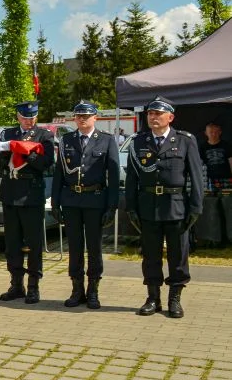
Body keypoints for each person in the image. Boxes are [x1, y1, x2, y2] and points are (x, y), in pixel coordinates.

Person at [125, 96, 204, 318]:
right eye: (150, 113)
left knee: (178, 255)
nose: (153, 117)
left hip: (176, 206)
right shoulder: (139, 142)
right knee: (150, 255)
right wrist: (131, 207)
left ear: (170, 117)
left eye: (158, 114)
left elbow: (196, 176)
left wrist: (196, 207)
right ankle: (153, 298)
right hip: (148, 207)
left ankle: (175, 300)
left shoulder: (185, 140)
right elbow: (132, 178)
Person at [51, 102, 120, 309]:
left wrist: (112, 206)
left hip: (95, 199)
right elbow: (59, 174)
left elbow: (114, 176)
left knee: (94, 247)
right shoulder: (66, 140)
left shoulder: (106, 141)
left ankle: (93, 290)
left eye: (87, 116)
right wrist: (56, 202)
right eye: (79, 116)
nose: (82, 119)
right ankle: (76, 289)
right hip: (71, 200)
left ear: (95, 118)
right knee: (74, 247)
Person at [0, 100, 56, 304]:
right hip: (11, 193)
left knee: (34, 244)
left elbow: (46, 164)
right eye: (25, 117)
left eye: (32, 117)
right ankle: (16, 284)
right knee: (12, 244)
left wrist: (25, 152)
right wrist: (10, 153)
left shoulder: (44, 136)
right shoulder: (7, 135)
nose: (29, 121)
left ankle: (33, 286)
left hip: (31, 195)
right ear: (18, 117)